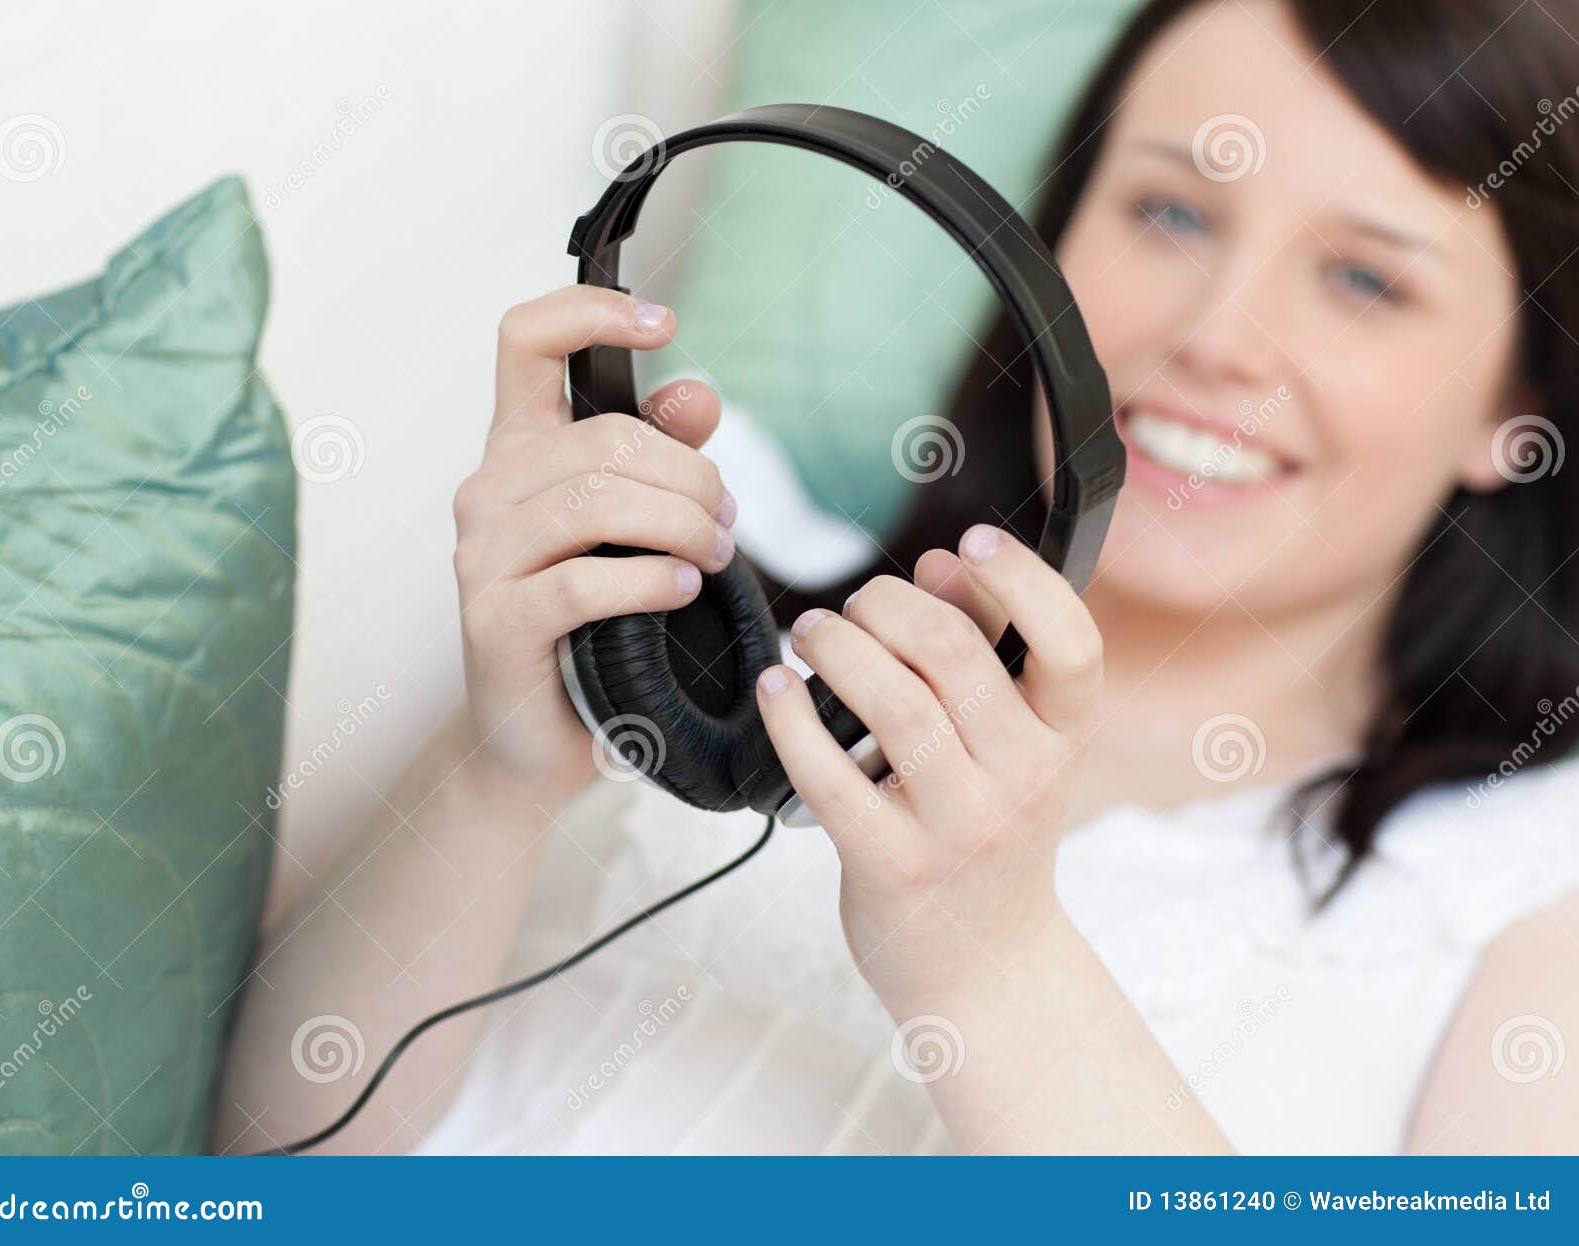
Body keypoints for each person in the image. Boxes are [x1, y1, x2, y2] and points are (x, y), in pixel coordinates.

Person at [215, 0, 1579, 1155]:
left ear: (1513, 400)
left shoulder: (1525, 876)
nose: (1218, 337)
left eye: (1363, 280)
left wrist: (993, 969)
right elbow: (257, 1158)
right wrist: (495, 764)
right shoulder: (694, 617)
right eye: (1168, 210)